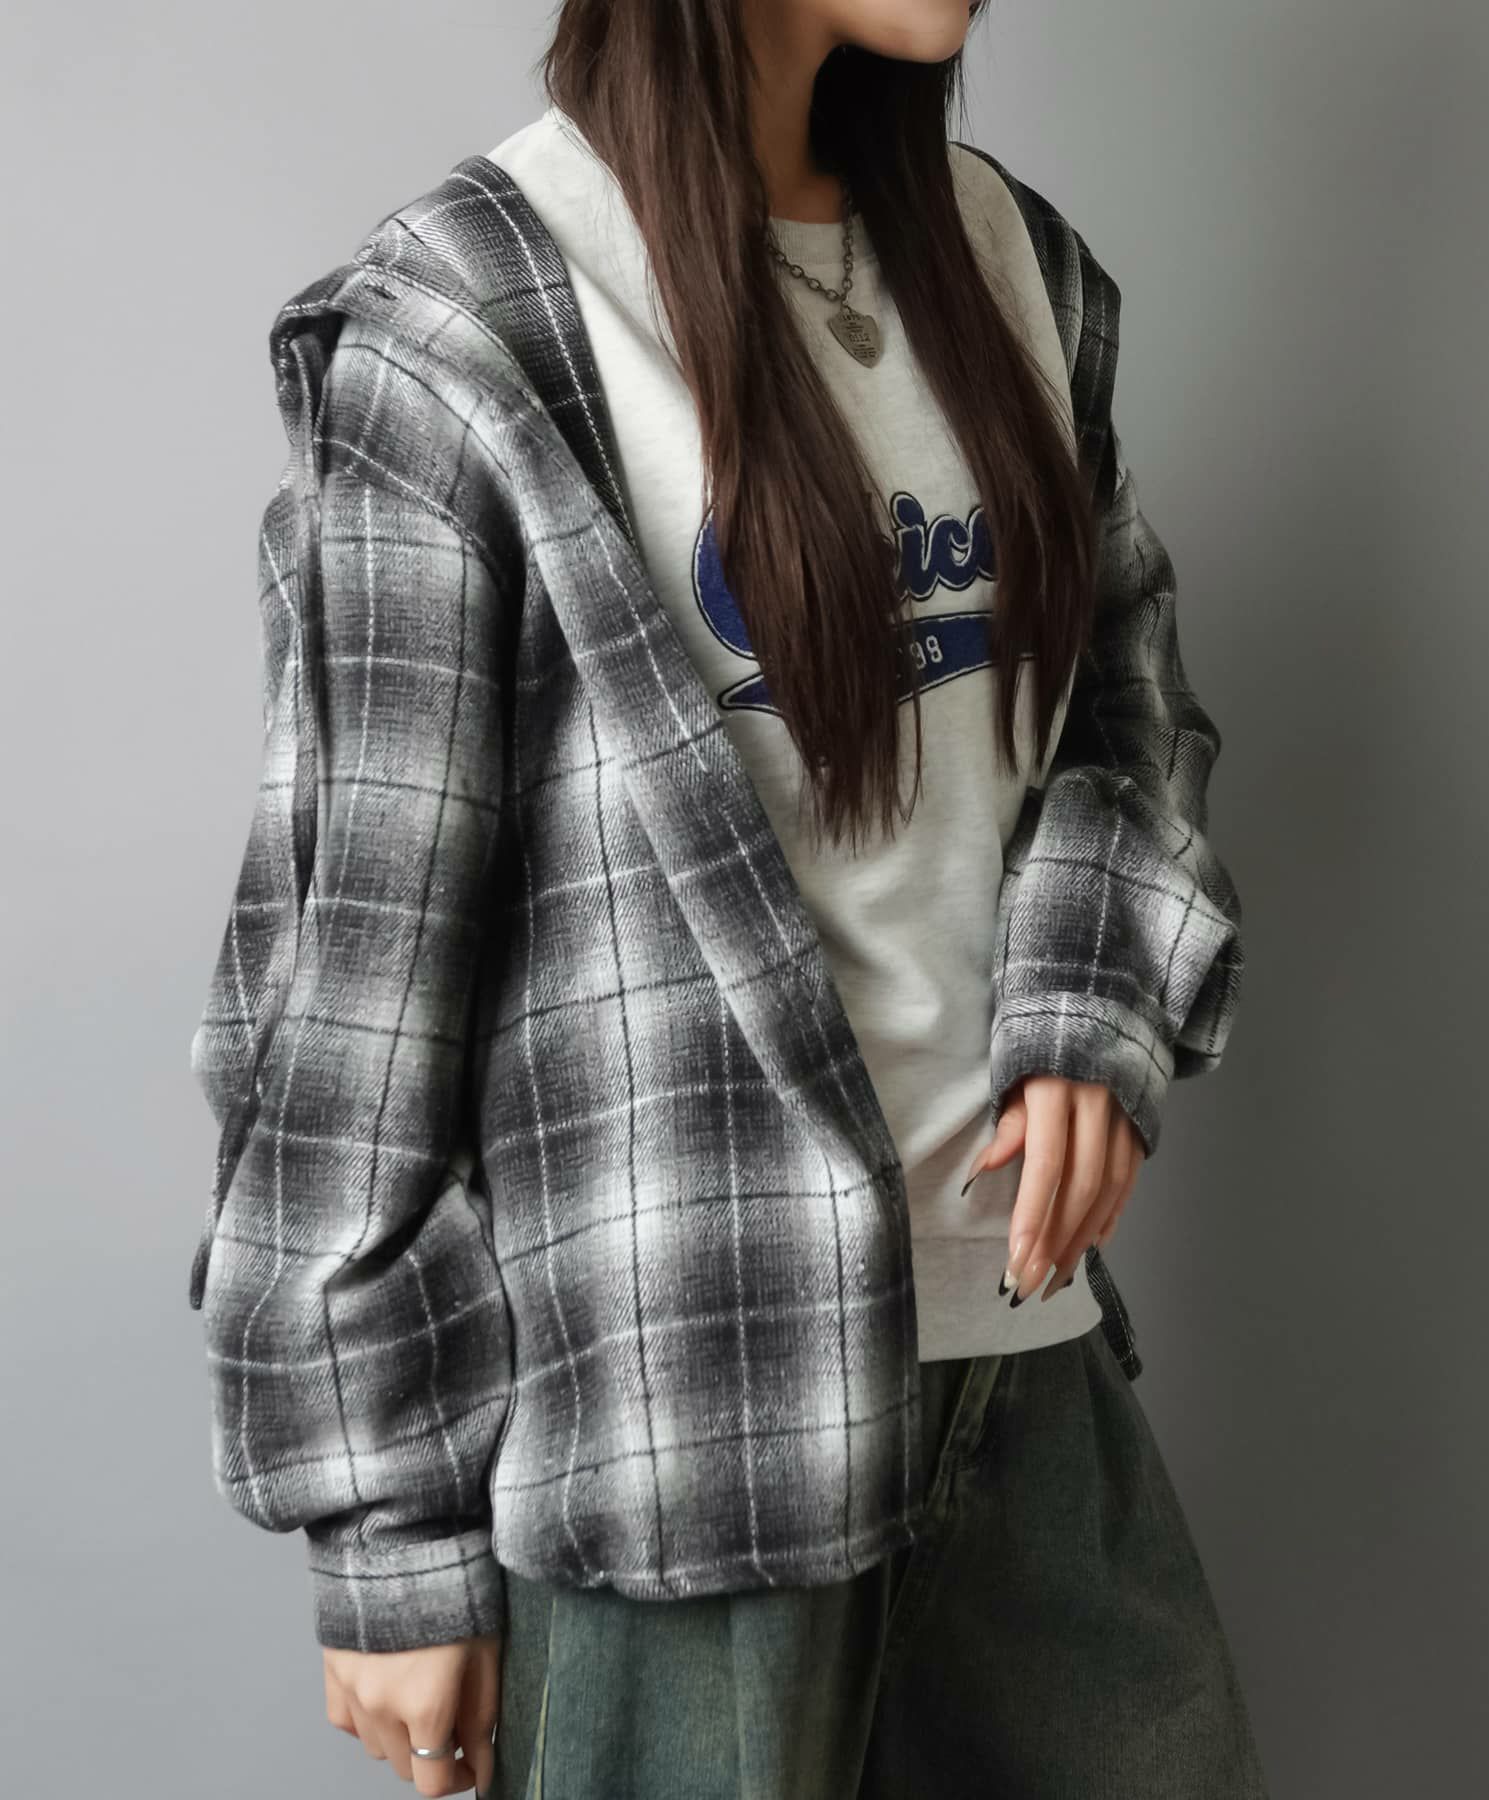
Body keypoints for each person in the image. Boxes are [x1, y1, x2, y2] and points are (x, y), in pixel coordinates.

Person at [184, 1, 1269, 1794]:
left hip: (1017, 1357)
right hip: (684, 1417)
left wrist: (1093, 998)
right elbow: (357, 963)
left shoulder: (1013, 263)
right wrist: (380, 1524)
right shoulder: (474, 321)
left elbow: (1123, 709)